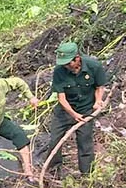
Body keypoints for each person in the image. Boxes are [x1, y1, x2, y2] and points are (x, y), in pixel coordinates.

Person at [46, 42, 107, 176]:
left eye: (68, 64)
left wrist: (98, 101)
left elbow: (99, 87)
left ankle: (87, 175)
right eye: (64, 64)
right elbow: (61, 98)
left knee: (85, 143)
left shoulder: (94, 66)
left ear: (77, 58)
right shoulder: (59, 71)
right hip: (65, 111)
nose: (66, 67)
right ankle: (54, 172)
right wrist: (73, 114)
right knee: (54, 141)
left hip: (86, 110)